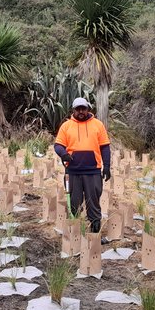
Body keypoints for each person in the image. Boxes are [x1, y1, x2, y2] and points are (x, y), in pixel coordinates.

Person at [54, 97, 111, 243]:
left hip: (93, 171)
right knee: (74, 203)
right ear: (73, 110)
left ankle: (95, 237)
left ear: (88, 109)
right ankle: (75, 236)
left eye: (83, 108)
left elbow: (105, 147)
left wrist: (107, 167)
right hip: (73, 172)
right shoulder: (66, 126)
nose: (81, 111)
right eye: (78, 109)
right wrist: (64, 154)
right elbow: (58, 145)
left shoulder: (98, 125)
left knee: (93, 203)